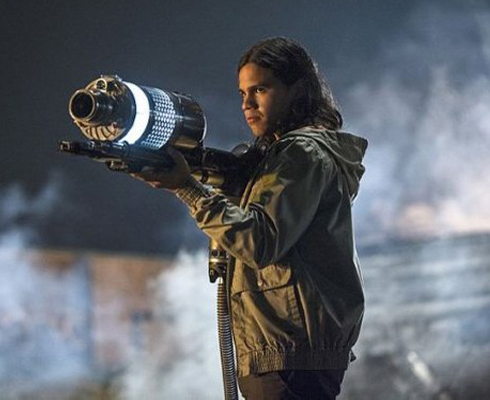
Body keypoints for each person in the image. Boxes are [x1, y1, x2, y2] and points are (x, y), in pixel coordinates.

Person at [133, 37, 368, 399]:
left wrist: (187, 188)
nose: (247, 104)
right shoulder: (294, 154)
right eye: (243, 93)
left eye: (260, 89)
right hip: (286, 353)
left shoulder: (301, 153)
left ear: (297, 90)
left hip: (288, 354)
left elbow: (258, 241)